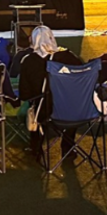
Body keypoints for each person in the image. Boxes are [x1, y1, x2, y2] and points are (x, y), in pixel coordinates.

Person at [17, 26, 83, 160]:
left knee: (34, 106)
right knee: (68, 104)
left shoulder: (28, 61)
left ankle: (36, 148)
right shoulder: (68, 57)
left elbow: (24, 94)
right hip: (71, 111)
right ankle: (67, 148)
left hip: (44, 111)